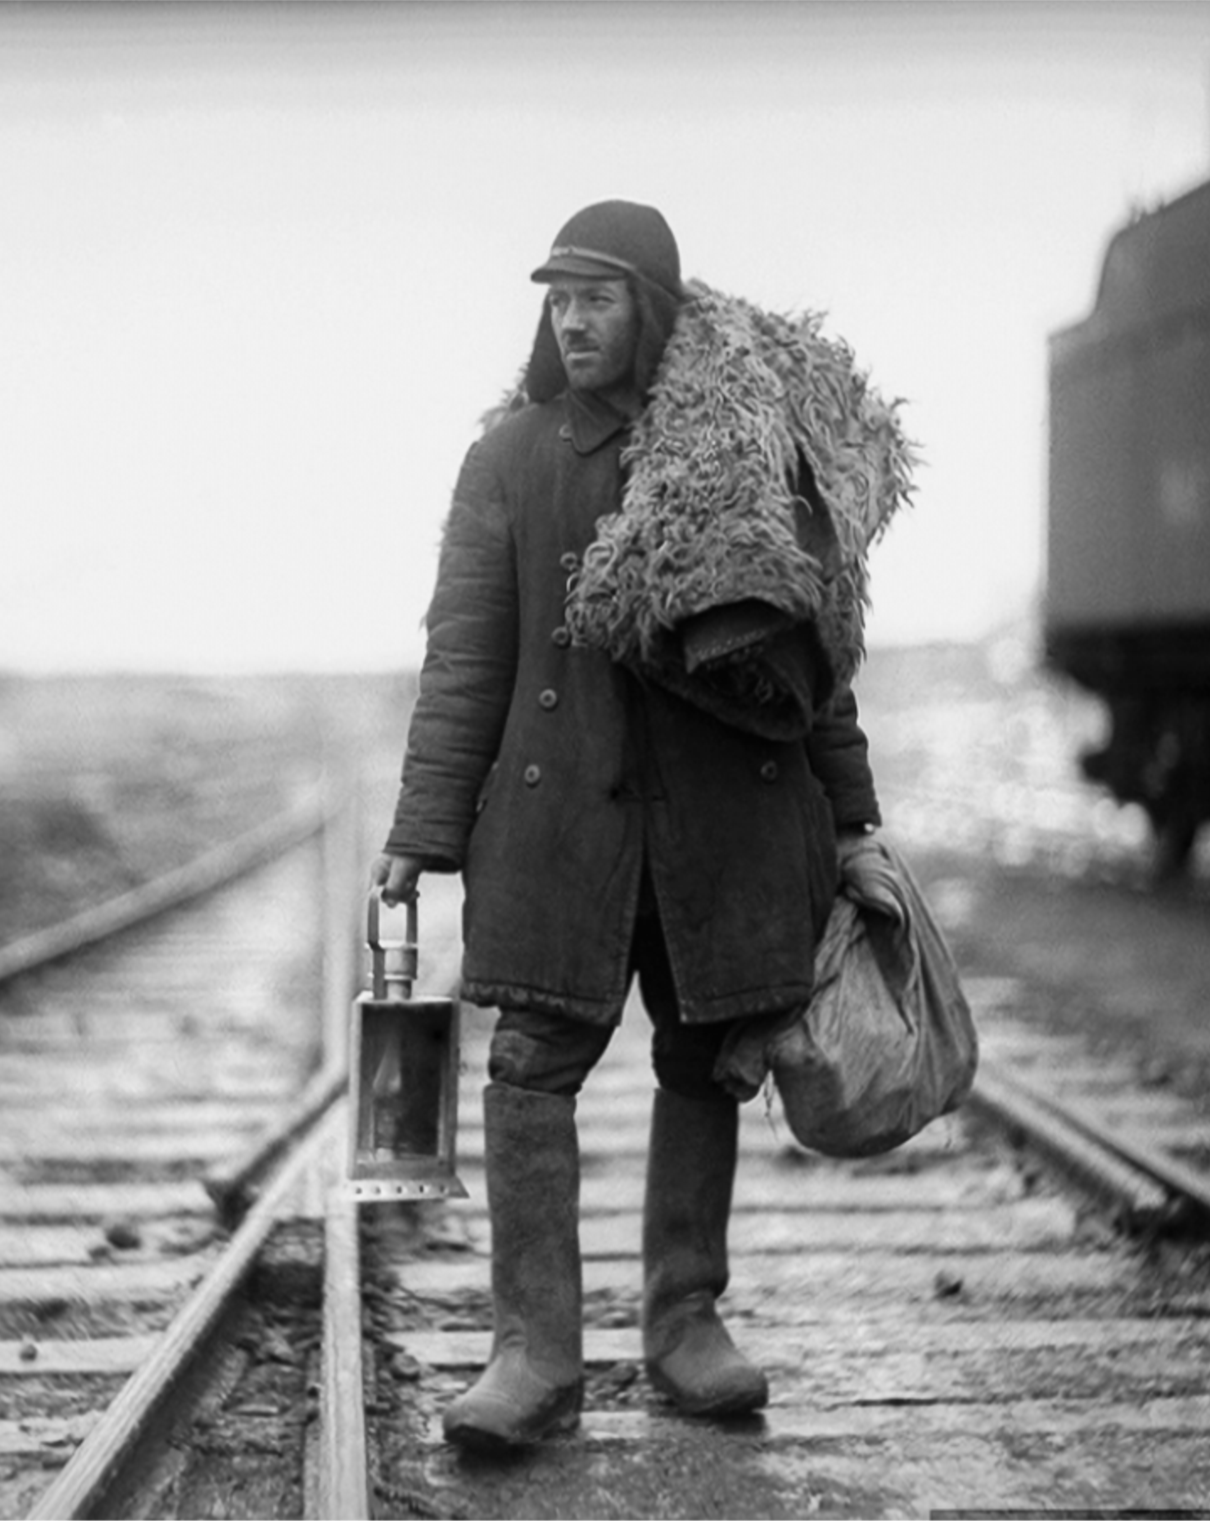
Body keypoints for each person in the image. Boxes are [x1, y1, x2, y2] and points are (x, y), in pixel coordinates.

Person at [372, 199, 911, 1450]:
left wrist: (858, 826)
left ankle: (685, 1325)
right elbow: (464, 660)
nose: (573, 319)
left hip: (717, 826)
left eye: (599, 297)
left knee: (702, 1055)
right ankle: (533, 1353)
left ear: (651, 310)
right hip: (561, 824)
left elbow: (817, 658)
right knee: (525, 1066)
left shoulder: (742, 450)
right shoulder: (505, 460)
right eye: (559, 298)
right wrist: (418, 831)